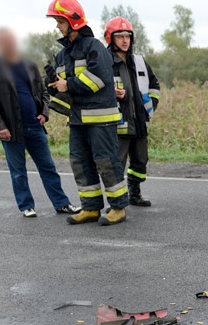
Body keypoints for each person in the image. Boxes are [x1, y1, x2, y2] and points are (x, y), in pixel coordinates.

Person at [45, 0, 130, 226]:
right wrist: (52, 83)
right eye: (56, 21)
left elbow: (99, 78)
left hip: (101, 119)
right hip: (78, 120)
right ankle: (91, 208)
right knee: (80, 162)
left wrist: (68, 84)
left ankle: (118, 207)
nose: (57, 27)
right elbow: (64, 89)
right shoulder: (62, 55)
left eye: (60, 21)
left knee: (106, 162)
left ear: (73, 21)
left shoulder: (94, 46)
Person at [0, 27, 80, 218]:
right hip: (11, 129)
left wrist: (44, 113)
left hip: (35, 126)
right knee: (18, 171)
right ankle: (26, 205)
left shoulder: (28, 64)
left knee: (48, 168)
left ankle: (61, 203)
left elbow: (43, 93)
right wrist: (0, 126)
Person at [104, 16, 161, 207]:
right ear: (110, 39)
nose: (125, 40)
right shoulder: (104, 62)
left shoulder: (139, 61)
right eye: (119, 36)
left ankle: (134, 193)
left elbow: (154, 84)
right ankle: (118, 201)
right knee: (117, 164)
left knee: (140, 161)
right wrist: (110, 93)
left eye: (127, 36)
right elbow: (95, 89)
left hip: (139, 122)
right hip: (118, 123)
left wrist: (151, 104)